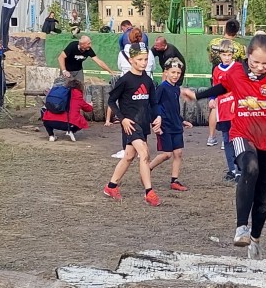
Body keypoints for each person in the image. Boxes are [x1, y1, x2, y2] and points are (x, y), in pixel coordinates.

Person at [183, 33, 266, 259]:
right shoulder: (237, 72)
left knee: (263, 196)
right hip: (242, 134)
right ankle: (241, 228)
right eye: (255, 62)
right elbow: (222, 87)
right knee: (250, 168)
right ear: (248, 56)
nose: (259, 67)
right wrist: (197, 95)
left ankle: (255, 239)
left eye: (265, 63)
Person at [103, 42, 162, 206]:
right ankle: (149, 192)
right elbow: (111, 101)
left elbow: (153, 103)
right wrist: (122, 119)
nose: (144, 63)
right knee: (144, 154)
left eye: (146, 59)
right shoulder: (125, 80)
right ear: (131, 60)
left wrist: (158, 116)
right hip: (130, 124)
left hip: (143, 124)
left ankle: (111, 186)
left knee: (129, 156)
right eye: (140, 59)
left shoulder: (148, 81)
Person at [149, 59, 193, 191]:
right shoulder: (162, 88)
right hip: (165, 125)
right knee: (167, 154)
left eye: (178, 73)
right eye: (173, 72)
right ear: (166, 72)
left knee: (178, 153)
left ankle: (174, 181)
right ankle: (147, 168)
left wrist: (181, 120)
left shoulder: (176, 88)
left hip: (176, 125)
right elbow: (153, 105)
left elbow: (174, 108)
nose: (175, 75)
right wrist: (156, 121)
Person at [207, 19, 246, 146]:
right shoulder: (239, 47)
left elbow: (210, 57)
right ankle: (229, 137)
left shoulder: (213, 42)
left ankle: (211, 136)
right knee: (230, 104)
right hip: (231, 77)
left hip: (216, 73)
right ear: (237, 31)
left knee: (215, 104)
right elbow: (243, 62)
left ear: (225, 28)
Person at [210, 40, 239, 182]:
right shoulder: (217, 70)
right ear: (219, 55)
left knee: (238, 140)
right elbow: (215, 86)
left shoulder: (237, 68)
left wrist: (237, 101)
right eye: (224, 55)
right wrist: (212, 98)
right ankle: (232, 169)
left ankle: (240, 170)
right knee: (226, 140)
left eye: (229, 55)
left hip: (236, 112)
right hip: (223, 111)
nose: (227, 58)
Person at [42, 78, 93, 142]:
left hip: (49, 121)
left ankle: (51, 135)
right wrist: (90, 105)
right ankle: (71, 131)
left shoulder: (59, 92)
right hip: (67, 123)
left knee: (46, 116)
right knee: (82, 121)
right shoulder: (78, 95)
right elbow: (88, 109)